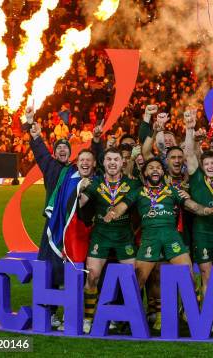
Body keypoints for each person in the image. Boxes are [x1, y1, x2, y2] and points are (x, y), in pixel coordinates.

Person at [103, 156, 213, 332]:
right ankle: (129, 317)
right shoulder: (138, 192)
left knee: (188, 274)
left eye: (158, 167)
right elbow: (123, 206)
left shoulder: (172, 191)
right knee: (138, 280)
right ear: (145, 174)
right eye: (151, 167)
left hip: (171, 237)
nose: (155, 170)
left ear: (163, 172)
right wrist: (113, 213)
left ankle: (192, 313)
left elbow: (191, 206)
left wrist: (208, 210)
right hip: (149, 238)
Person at [77, 147, 141, 333]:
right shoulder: (95, 183)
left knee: (133, 278)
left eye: (116, 159)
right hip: (101, 235)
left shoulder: (132, 184)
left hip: (124, 236)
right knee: (92, 276)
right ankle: (88, 318)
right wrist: (78, 191)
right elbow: (81, 203)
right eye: (109, 159)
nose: (112, 163)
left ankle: (131, 318)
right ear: (103, 163)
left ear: (123, 163)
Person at [27, 106, 72, 329]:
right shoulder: (51, 167)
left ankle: (71, 311)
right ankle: (51, 311)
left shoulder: (76, 171)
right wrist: (33, 132)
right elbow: (40, 151)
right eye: (59, 148)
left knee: (72, 268)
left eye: (66, 147)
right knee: (49, 267)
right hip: (52, 226)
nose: (63, 150)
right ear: (55, 153)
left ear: (71, 153)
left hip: (71, 226)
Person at [184, 109, 213, 307]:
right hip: (202, 234)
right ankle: (208, 316)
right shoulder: (197, 179)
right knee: (207, 275)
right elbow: (189, 154)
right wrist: (189, 130)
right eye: (206, 163)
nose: (209, 166)